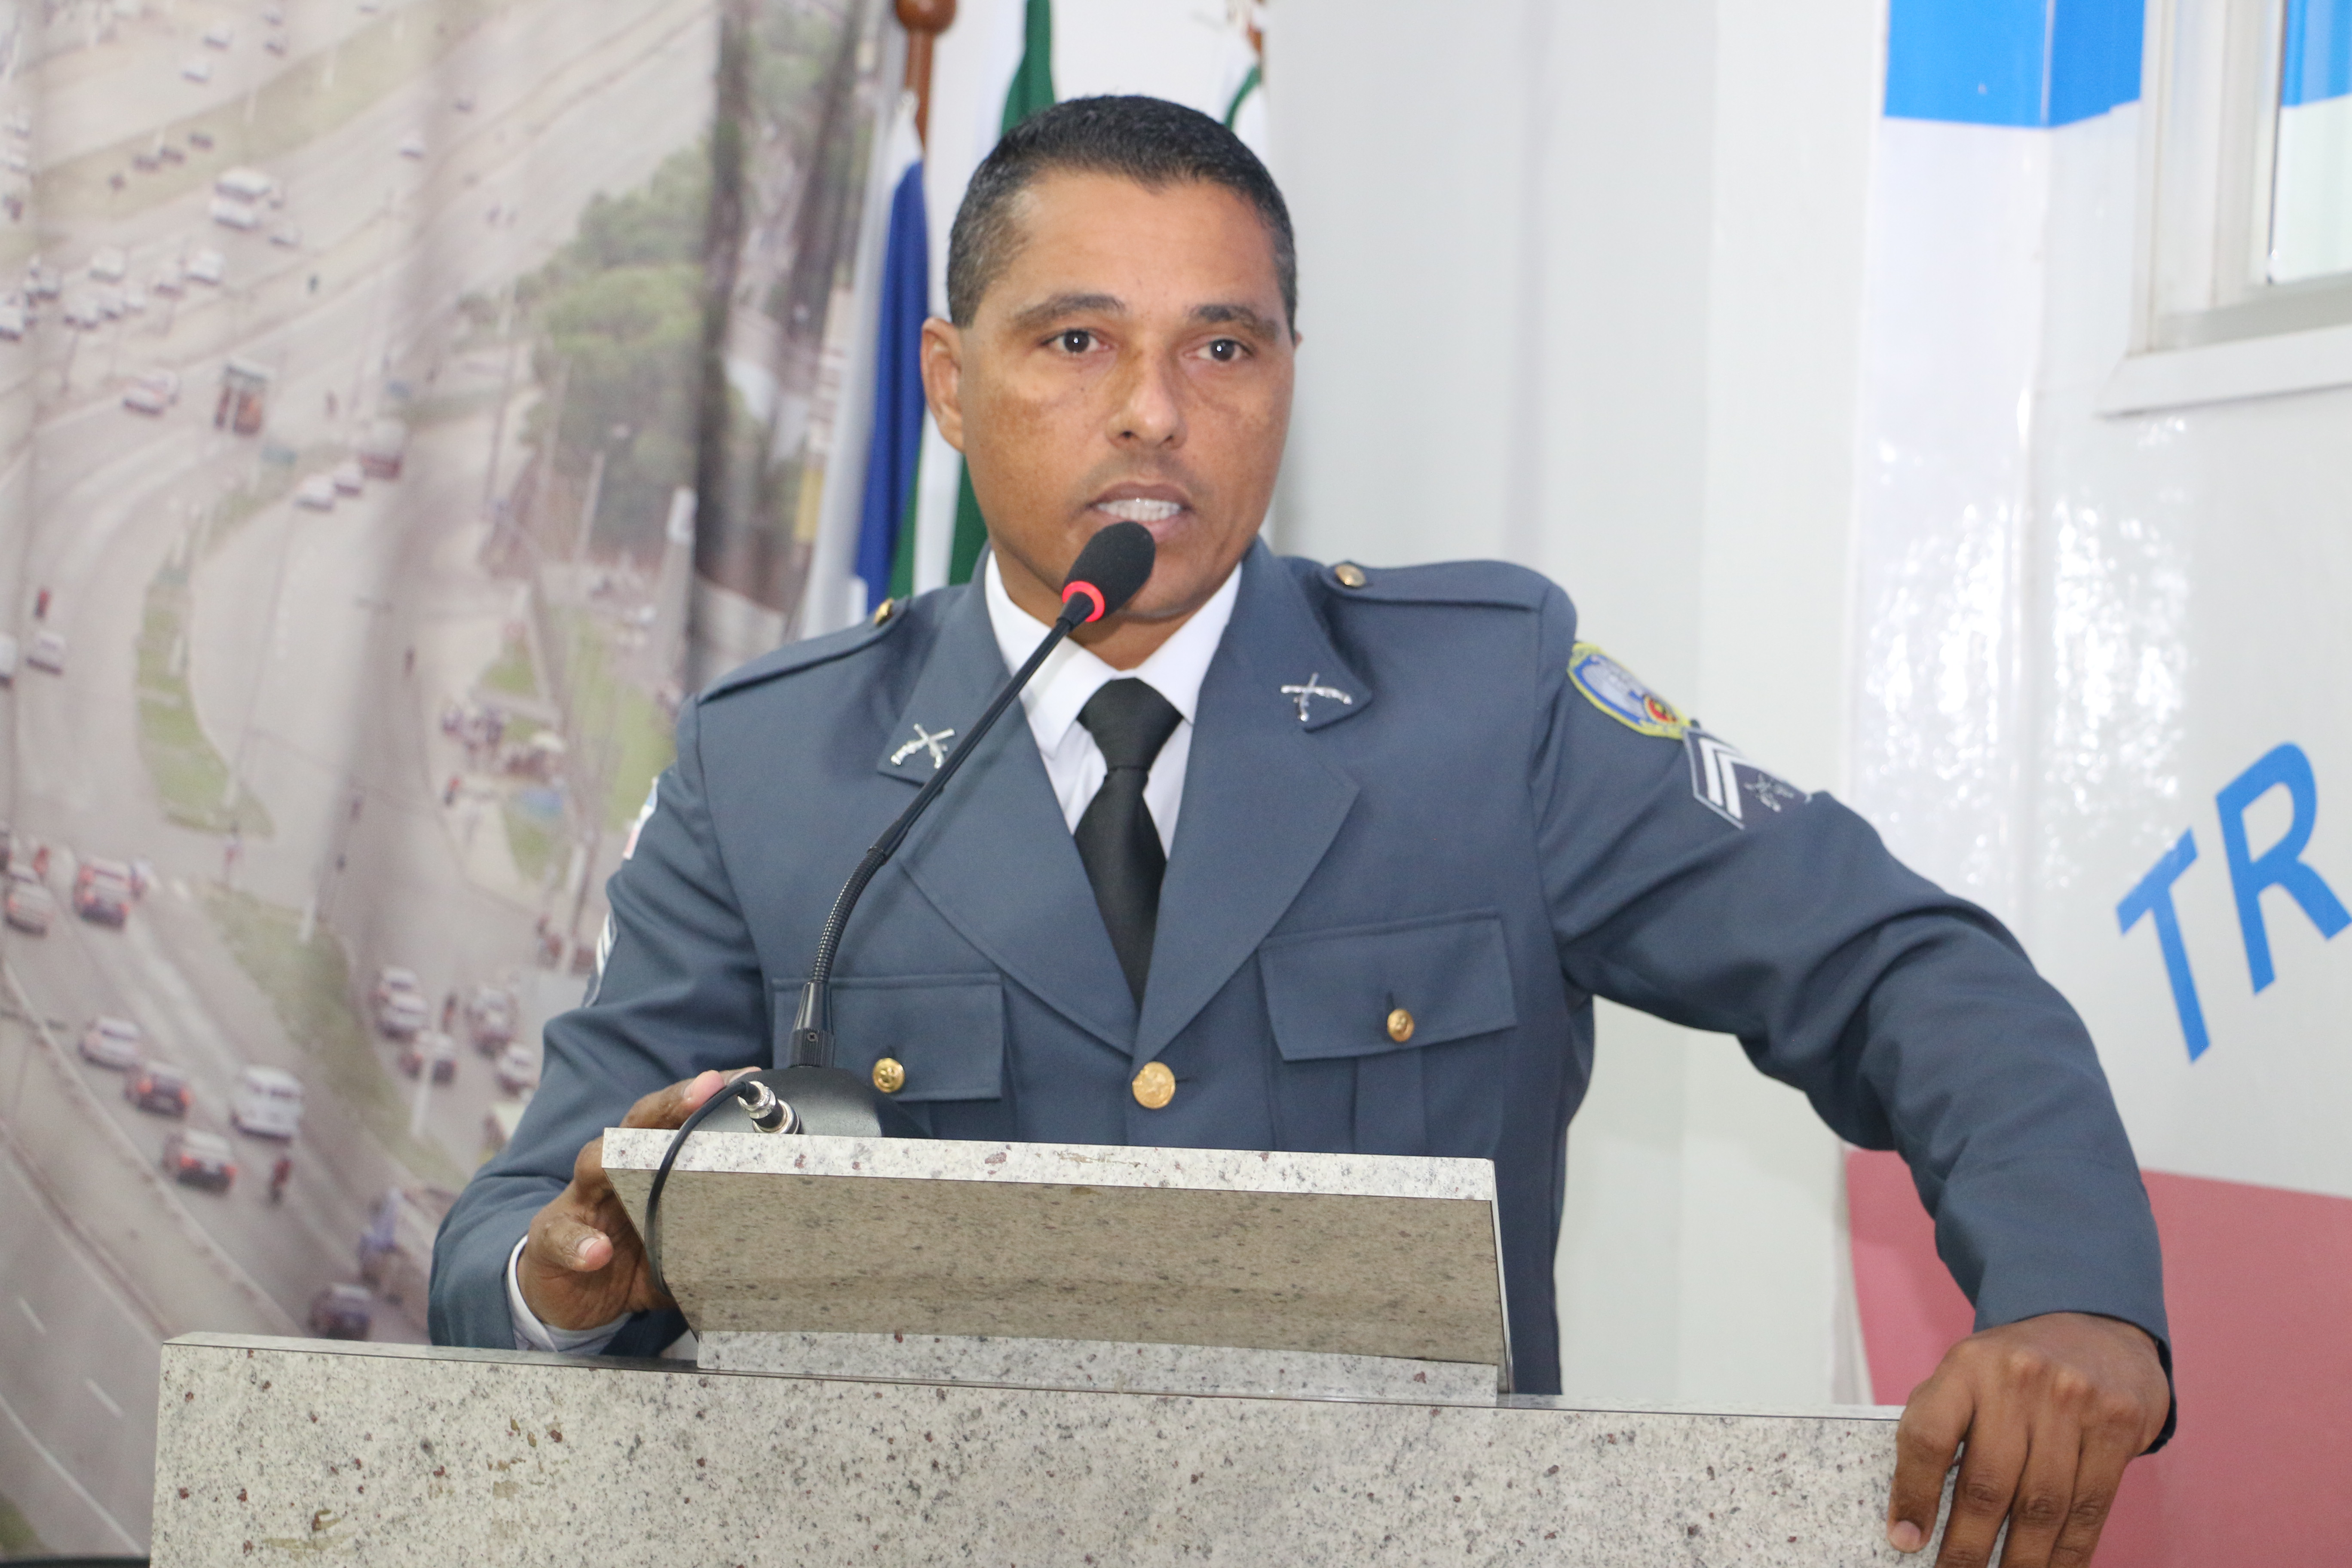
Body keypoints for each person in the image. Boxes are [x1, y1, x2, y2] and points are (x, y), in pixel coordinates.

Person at [432, 97, 2171, 1568]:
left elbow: (1901, 969)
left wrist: (2074, 1295)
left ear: (1285, 375)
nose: (1155, 410)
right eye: (1076, 342)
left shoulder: (1487, 709)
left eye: (1224, 347)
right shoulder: (776, 766)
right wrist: (572, 1274)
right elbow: (513, 1234)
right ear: (950, 385)